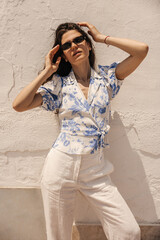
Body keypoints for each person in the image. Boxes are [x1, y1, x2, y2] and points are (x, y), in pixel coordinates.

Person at [12, 22, 148, 240]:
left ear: (88, 45)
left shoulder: (106, 79)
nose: (74, 46)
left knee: (128, 231)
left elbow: (141, 51)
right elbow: (18, 105)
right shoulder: (58, 85)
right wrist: (47, 71)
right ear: (63, 55)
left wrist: (102, 37)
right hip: (61, 166)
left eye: (78, 40)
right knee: (58, 236)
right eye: (66, 45)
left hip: (96, 170)